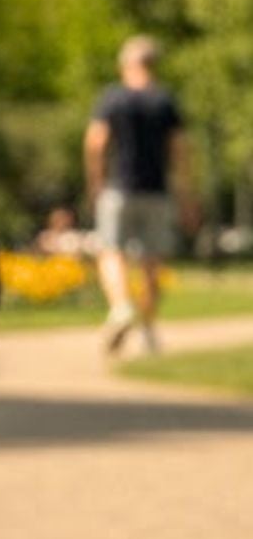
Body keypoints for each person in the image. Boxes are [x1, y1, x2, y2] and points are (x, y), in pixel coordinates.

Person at [84, 36, 198, 355]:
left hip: (118, 189)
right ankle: (148, 329)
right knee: (151, 264)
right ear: (154, 64)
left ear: (125, 64)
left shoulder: (112, 98)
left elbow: (96, 143)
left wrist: (96, 182)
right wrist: (187, 194)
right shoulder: (165, 101)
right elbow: (179, 151)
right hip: (157, 192)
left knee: (110, 251)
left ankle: (121, 307)